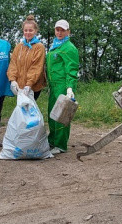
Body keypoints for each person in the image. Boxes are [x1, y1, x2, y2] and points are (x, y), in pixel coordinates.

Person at [46, 19, 79, 155]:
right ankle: (52, 140)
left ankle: (60, 144)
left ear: (68, 32)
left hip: (63, 86)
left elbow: (72, 69)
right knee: (52, 114)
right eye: (57, 30)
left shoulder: (69, 48)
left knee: (61, 115)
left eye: (63, 30)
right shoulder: (55, 45)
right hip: (53, 86)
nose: (59, 33)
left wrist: (69, 88)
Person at [7, 14, 47, 99]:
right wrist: (12, 80)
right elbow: (13, 64)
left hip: (33, 86)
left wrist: (29, 84)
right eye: (26, 30)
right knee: (21, 106)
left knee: (30, 107)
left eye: (30, 30)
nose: (28, 33)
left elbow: (36, 67)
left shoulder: (39, 47)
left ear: (35, 31)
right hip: (20, 85)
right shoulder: (19, 46)